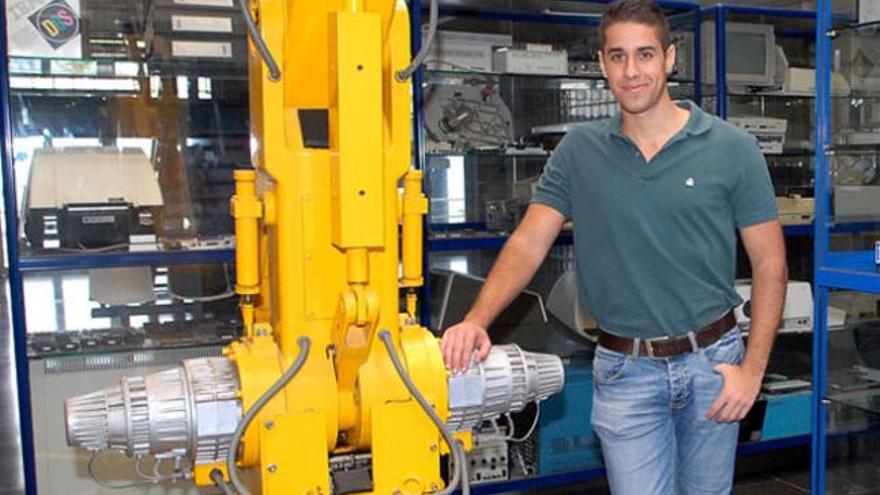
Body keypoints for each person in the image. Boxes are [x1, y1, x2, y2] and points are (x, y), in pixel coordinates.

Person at [439, 1, 788, 493]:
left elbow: (770, 262)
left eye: (644, 55)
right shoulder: (579, 152)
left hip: (714, 363)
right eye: (618, 56)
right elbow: (528, 243)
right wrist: (477, 319)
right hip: (626, 372)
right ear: (603, 64)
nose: (632, 71)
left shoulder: (730, 148)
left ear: (669, 59)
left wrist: (752, 371)